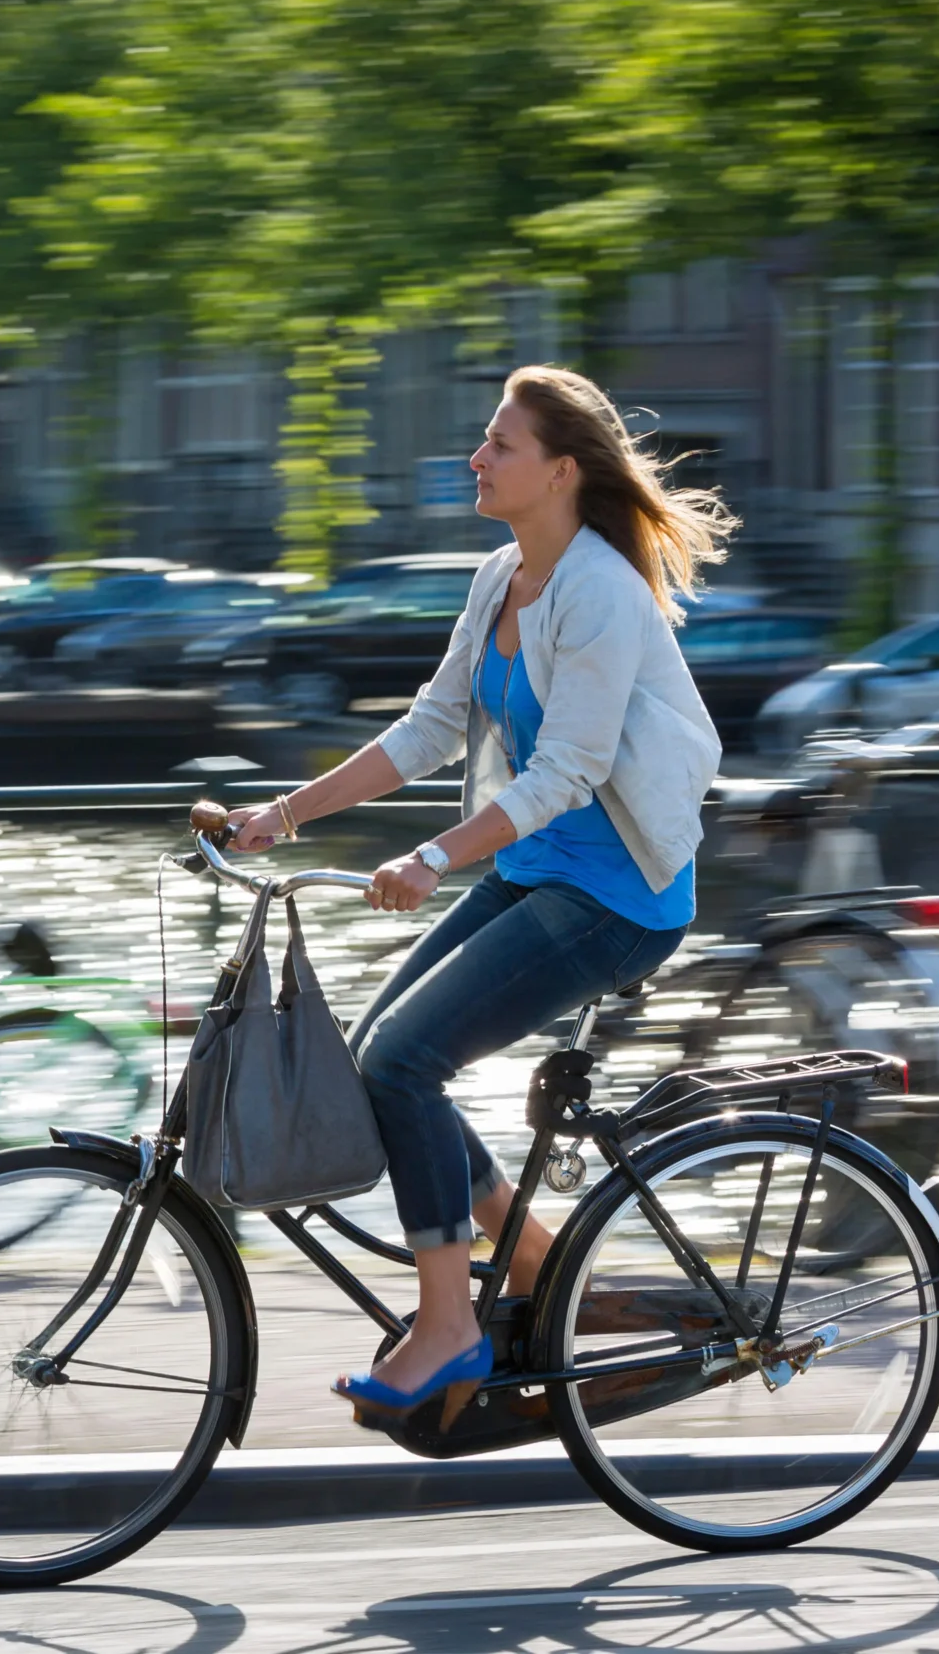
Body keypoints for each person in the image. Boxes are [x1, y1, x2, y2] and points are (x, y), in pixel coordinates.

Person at [225, 364, 734, 1427]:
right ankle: (536, 1263)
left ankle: (449, 1326)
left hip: (618, 896)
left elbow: (569, 773)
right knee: (377, 1060)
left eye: (498, 444)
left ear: (558, 471)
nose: (476, 457)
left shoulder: (600, 591)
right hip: (537, 869)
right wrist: (284, 815)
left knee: (406, 1064)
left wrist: (430, 858)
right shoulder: (502, 575)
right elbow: (430, 728)